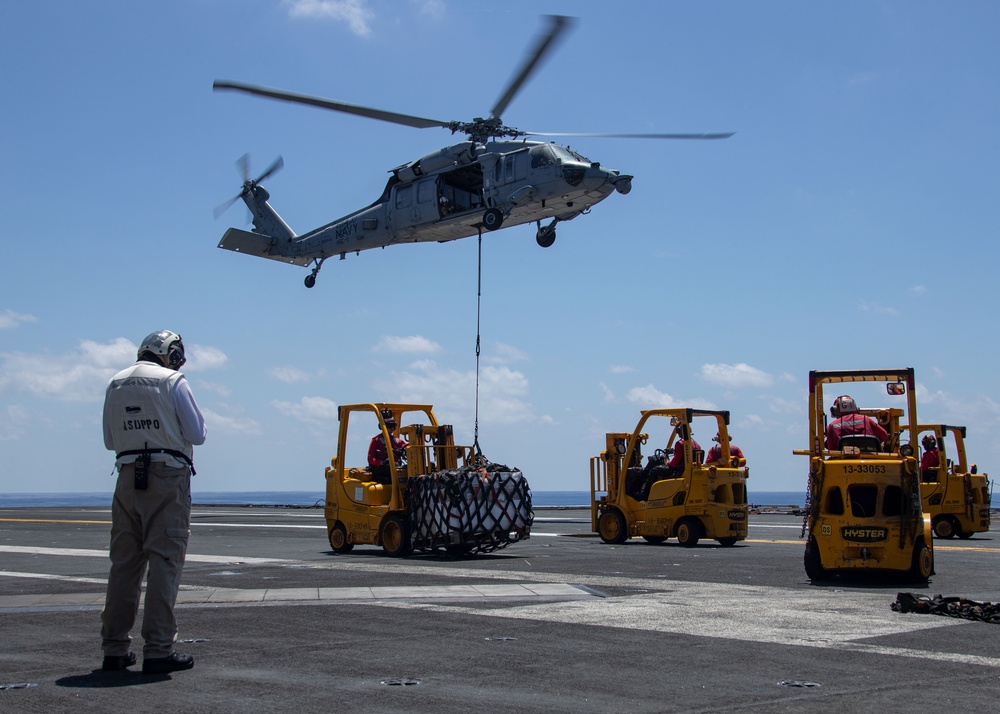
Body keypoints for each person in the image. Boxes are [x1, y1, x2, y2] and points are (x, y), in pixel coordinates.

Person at [100, 330, 206, 674]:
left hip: (127, 474)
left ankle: (114, 648)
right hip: (167, 474)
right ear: (170, 354)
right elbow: (197, 434)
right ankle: (158, 648)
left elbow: (109, 439)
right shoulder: (173, 381)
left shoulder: (115, 383)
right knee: (164, 560)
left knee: (124, 565)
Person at [367, 411, 407, 484]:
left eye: (393, 426)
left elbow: (407, 447)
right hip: (381, 469)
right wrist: (381, 463)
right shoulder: (376, 440)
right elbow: (370, 458)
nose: (392, 428)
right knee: (389, 467)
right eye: (389, 426)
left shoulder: (397, 441)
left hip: (395, 468)